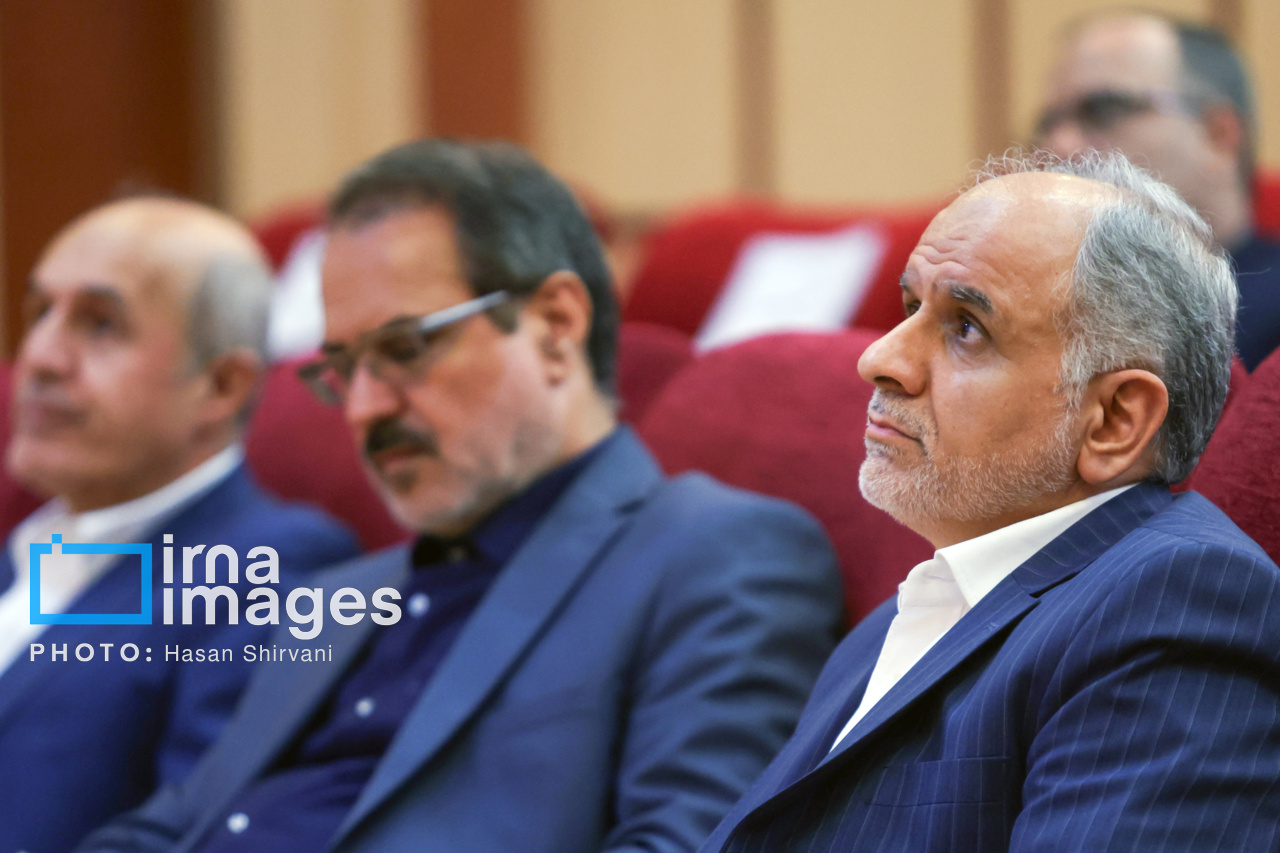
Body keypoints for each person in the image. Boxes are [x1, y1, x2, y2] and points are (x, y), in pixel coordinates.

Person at [81, 139, 843, 853]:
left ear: (555, 325)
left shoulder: (713, 554)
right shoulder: (337, 596)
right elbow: (170, 825)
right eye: (343, 366)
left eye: (405, 347)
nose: (363, 408)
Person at [698, 151, 1280, 852]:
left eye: (966, 326)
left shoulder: (1177, 603)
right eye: (911, 307)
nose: (879, 358)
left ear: (1113, 420)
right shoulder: (896, 618)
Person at [0, 197, 361, 853]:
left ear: (221, 385)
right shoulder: (22, 551)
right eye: (39, 312)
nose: (41, 358)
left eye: (100, 324)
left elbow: (203, 833)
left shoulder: (270, 565)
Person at [1035, 11, 1280, 371]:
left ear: (1218, 136)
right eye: (1047, 123)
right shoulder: (1032, 302)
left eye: (1104, 110)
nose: (1059, 146)